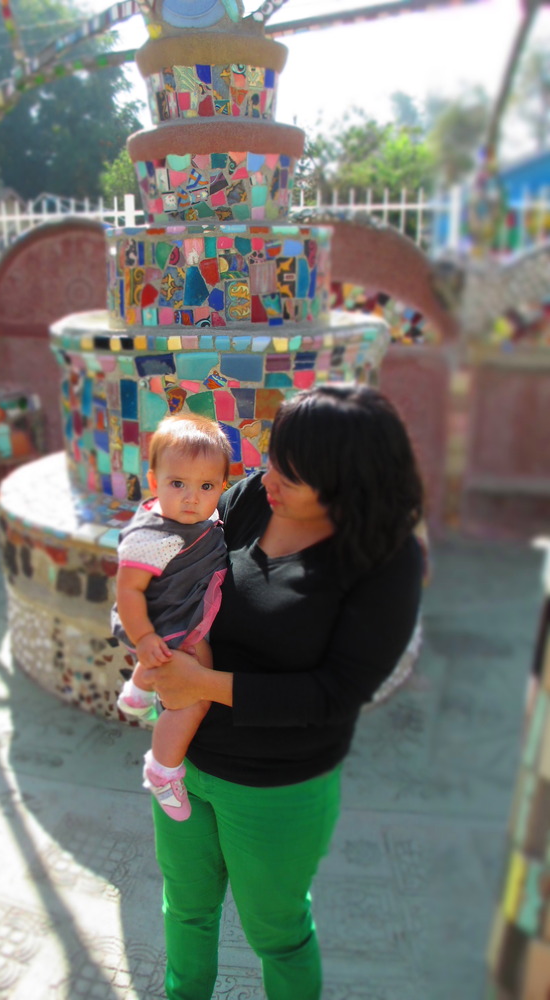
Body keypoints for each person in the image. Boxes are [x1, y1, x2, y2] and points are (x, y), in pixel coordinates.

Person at [137, 383, 425, 1000]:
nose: (269, 480)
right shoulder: (250, 501)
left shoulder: (386, 561)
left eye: (292, 476)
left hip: (276, 787)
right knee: (185, 910)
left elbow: (335, 694)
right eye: (273, 461)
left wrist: (201, 683)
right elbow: (176, 552)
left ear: (348, 483)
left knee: (277, 934)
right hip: (184, 763)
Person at [111, 413, 231, 821]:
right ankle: (162, 770)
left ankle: (138, 691)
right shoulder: (154, 537)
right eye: (177, 483)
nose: (191, 498)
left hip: (184, 615)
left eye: (206, 486)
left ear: (222, 486)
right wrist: (144, 639)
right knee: (194, 700)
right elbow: (129, 591)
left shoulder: (200, 518)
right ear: (153, 480)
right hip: (168, 628)